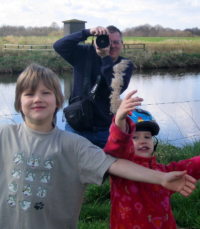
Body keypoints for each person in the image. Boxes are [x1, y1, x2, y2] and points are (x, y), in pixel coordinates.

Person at [0, 64, 196, 229]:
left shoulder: (74, 145)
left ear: (58, 100)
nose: (37, 99)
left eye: (46, 92)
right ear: (18, 103)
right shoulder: (4, 135)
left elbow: (115, 164)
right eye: (29, 93)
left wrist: (161, 178)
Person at [104, 90, 200, 229]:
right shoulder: (121, 172)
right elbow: (116, 144)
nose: (143, 141)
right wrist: (120, 119)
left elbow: (190, 166)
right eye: (135, 137)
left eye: (147, 137)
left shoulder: (163, 171)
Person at [53, 25, 134, 148]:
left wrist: (105, 58)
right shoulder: (84, 54)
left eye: (116, 42)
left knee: (107, 167)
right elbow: (59, 46)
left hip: (107, 129)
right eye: (107, 41)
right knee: (73, 166)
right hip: (78, 125)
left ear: (122, 44)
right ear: (97, 41)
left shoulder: (125, 65)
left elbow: (116, 88)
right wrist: (87, 32)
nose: (111, 46)